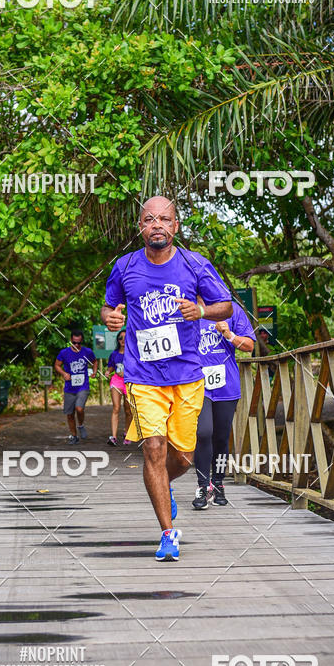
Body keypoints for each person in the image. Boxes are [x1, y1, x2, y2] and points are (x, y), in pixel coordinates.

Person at [101, 196, 232, 562]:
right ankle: (168, 533)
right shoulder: (125, 266)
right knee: (154, 449)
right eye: (149, 219)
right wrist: (110, 318)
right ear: (140, 227)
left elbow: (226, 306)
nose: (156, 224)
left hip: (187, 375)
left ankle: (163, 484)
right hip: (143, 375)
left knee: (184, 458)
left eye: (164, 219)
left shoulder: (195, 264)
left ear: (175, 226)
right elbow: (109, 306)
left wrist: (201, 310)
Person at [193, 301, 255, 509]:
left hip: (226, 385)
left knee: (221, 437)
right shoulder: (188, 309)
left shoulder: (231, 309)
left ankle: (218, 483)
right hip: (197, 384)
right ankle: (203, 486)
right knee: (203, 432)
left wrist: (229, 335)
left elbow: (249, 347)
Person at [54, 330, 97, 444]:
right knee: (70, 414)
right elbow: (57, 365)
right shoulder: (64, 353)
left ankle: (81, 425)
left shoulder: (87, 352)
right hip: (69, 387)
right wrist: (64, 373)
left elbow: (94, 361)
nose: (76, 345)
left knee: (79, 408)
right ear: (71, 341)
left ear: (82, 341)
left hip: (83, 386)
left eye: (79, 343)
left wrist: (94, 372)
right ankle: (74, 436)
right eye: (74, 343)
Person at [106, 329, 133, 446]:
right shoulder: (114, 354)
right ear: (118, 340)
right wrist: (108, 371)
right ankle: (113, 437)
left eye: (125, 338)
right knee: (116, 408)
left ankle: (127, 433)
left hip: (129, 382)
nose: (122, 340)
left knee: (128, 410)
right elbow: (111, 366)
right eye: (120, 338)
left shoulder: (133, 353)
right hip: (116, 381)